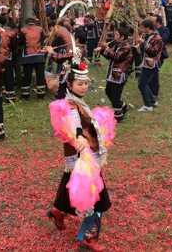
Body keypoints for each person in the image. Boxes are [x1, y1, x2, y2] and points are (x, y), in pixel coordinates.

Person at [47, 61, 111, 252]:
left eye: (85, 84)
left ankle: (58, 210)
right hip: (84, 159)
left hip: (78, 159)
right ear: (70, 84)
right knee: (97, 200)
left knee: (70, 184)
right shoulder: (71, 104)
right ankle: (88, 240)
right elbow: (75, 124)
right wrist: (81, 136)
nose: (84, 87)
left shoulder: (75, 99)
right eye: (79, 84)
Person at [95, 26, 132, 123]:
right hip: (112, 73)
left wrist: (106, 48)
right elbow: (109, 56)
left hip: (119, 75)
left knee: (115, 95)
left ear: (122, 37)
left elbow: (116, 57)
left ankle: (118, 116)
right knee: (108, 91)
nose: (114, 36)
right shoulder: (117, 45)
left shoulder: (126, 47)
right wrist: (101, 51)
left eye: (116, 35)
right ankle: (122, 106)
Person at [136, 19, 163, 112]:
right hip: (146, 63)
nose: (141, 29)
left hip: (151, 64)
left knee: (141, 84)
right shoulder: (148, 36)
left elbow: (153, 51)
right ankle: (152, 100)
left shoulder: (157, 38)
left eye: (142, 27)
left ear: (148, 28)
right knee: (143, 82)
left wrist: (143, 43)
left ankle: (147, 105)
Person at [19, 18, 47, 100]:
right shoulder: (40, 29)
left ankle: (25, 96)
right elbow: (42, 40)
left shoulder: (23, 30)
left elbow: (21, 42)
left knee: (27, 76)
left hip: (28, 56)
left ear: (26, 24)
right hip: (39, 55)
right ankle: (41, 96)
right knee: (40, 75)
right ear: (34, 23)